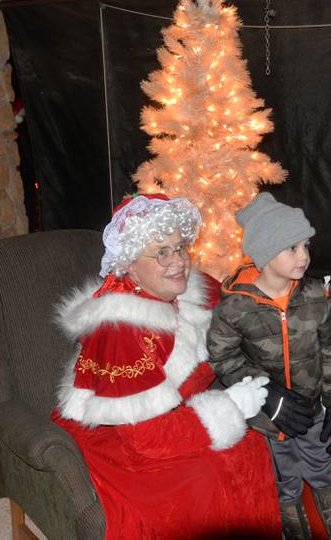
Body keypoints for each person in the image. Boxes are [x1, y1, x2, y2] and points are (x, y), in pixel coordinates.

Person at [52, 193, 280, 538]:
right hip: (117, 433)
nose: (177, 262)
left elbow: (246, 319)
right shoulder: (119, 330)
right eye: (161, 252)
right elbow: (145, 439)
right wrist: (229, 406)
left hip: (168, 418)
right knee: (203, 477)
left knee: (250, 448)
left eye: (179, 248)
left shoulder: (193, 292)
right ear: (129, 264)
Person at [207, 192, 331, 540]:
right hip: (267, 421)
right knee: (284, 484)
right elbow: (223, 358)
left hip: (312, 409)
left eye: (306, 246)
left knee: (323, 472)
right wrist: (265, 393)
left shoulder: (319, 296)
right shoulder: (234, 308)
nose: (304, 256)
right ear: (266, 253)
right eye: (293, 248)